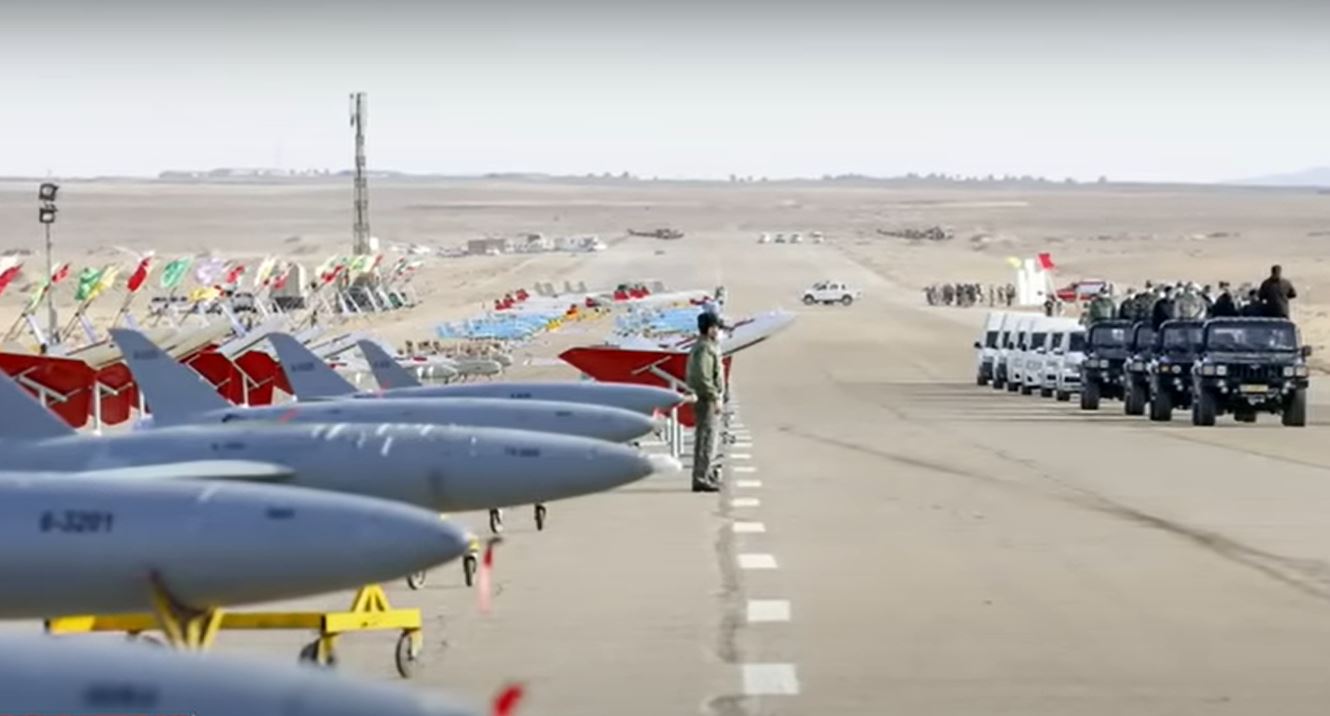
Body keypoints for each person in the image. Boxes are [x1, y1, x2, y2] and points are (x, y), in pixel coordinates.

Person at [685, 312, 726, 493]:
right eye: (716, 327)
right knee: (706, 439)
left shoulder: (707, 346)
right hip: (706, 399)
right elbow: (703, 376)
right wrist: (714, 396)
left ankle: (705, 475)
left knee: (708, 438)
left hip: (707, 398)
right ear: (709, 328)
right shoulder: (705, 348)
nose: (718, 331)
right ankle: (701, 478)